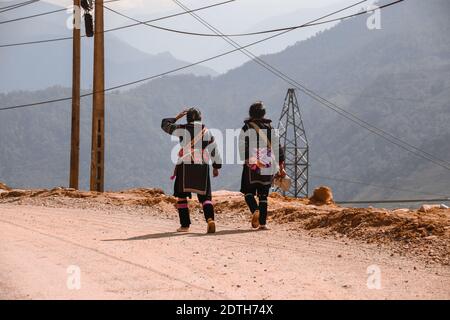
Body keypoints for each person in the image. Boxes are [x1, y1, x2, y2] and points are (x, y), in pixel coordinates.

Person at [161, 107, 222, 234]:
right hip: (202, 165)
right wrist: (216, 167)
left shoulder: (182, 129)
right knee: (206, 197)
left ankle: (185, 225)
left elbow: (165, 125)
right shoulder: (207, 132)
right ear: (200, 118)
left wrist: (177, 117)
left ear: (187, 118)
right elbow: (214, 150)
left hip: (185, 165)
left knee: (182, 195)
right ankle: (210, 219)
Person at [239, 101, 285, 230]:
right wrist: (281, 167)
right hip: (267, 163)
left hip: (252, 165)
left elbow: (242, 147)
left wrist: (248, 159)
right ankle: (263, 223)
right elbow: (278, 148)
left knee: (248, 192)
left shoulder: (246, 128)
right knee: (263, 194)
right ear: (263, 113)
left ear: (251, 113)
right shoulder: (270, 128)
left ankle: (255, 210)